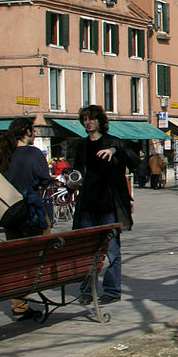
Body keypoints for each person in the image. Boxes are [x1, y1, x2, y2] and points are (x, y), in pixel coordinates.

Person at [69, 105, 139, 305]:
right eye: (85, 119)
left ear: (100, 121)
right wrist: (72, 183)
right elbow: (77, 171)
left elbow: (133, 158)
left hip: (109, 205)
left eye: (91, 119)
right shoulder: (81, 145)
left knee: (112, 250)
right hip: (87, 206)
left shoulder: (112, 142)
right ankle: (87, 290)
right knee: (87, 251)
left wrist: (114, 150)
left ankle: (111, 290)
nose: (88, 122)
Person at [0, 117, 54, 319]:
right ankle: (30, 291)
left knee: (16, 259)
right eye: (33, 129)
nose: (34, 133)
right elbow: (44, 178)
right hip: (31, 211)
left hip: (9, 212)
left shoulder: (4, 155)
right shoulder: (33, 153)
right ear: (26, 131)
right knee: (35, 256)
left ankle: (19, 305)